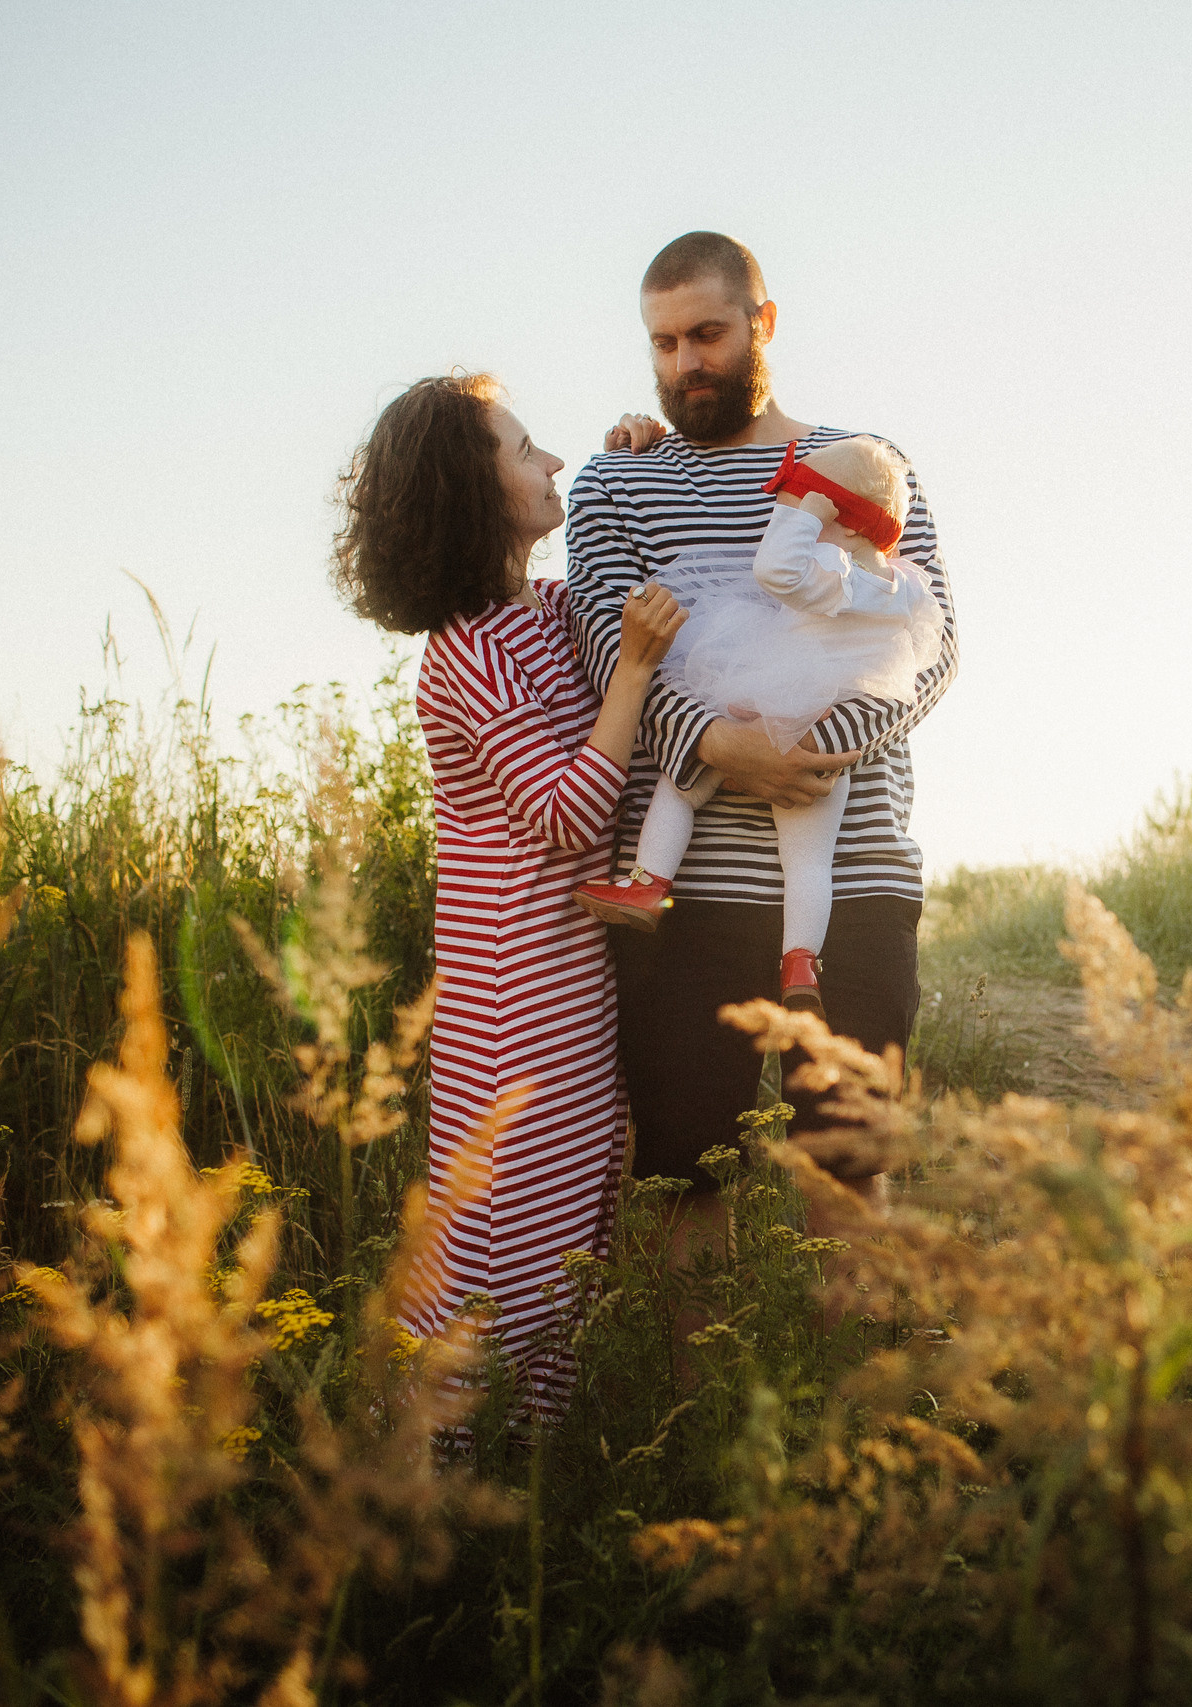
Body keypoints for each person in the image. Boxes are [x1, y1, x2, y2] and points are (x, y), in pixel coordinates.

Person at [558, 231, 958, 1206]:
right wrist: (719, 745)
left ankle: (859, 1363)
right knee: (685, 1193)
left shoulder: (866, 464)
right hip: (686, 904)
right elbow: (607, 647)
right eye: (663, 344)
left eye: (706, 334)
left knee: (852, 1189)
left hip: (856, 885)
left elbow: (931, 642)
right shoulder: (614, 484)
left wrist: (812, 748)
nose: (684, 364)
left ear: (762, 321)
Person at [330, 371, 685, 1417]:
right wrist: (629, 674)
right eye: (526, 451)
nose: (552, 463)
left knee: (568, 1249)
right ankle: (419, 1498)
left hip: (575, 988)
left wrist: (640, 462)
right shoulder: (465, 655)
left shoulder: (549, 613)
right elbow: (572, 814)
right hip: (511, 1007)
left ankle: (521, 1498)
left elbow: (649, 589)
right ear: (470, 490)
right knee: (499, 1260)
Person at [566, 434, 944, 1023]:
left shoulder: (832, 568)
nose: (789, 508)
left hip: (769, 692)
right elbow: (927, 644)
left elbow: (775, 570)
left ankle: (647, 881)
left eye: (806, 500)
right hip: (827, 733)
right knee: (810, 860)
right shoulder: (902, 585)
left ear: (844, 524)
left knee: (681, 782)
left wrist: (806, 512)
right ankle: (800, 961)